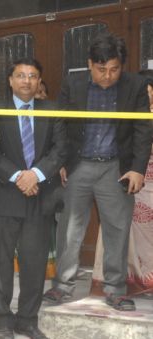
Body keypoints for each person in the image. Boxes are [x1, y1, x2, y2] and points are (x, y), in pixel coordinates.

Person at [43, 33, 153, 311]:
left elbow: (143, 129)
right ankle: (63, 286)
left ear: (122, 67)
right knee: (70, 229)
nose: (108, 76)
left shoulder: (136, 85)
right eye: (101, 69)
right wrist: (62, 162)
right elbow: (61, 123)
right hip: (79, 165)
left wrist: (137, 169)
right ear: (90, 64)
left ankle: (115, 290)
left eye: (114, 69)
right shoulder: (73, 83)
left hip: (116, 168)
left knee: (117, 230)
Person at [0, 58, 66, 339]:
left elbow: (61, 148)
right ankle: (1, 320)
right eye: (20, 75)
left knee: (34, 263)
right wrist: (19, 175)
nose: (27, 81)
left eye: (33, 76)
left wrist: (37, 175)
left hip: (39, 196)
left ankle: (28, 321)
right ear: (10, 80)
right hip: (4, 196)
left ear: (39, 81)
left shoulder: (52, 109)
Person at [92, 69, 153, 295]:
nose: (147, 98)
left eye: (149, 93)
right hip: (126, 180)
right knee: (120, 230)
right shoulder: (123, 112)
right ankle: (124, 282)